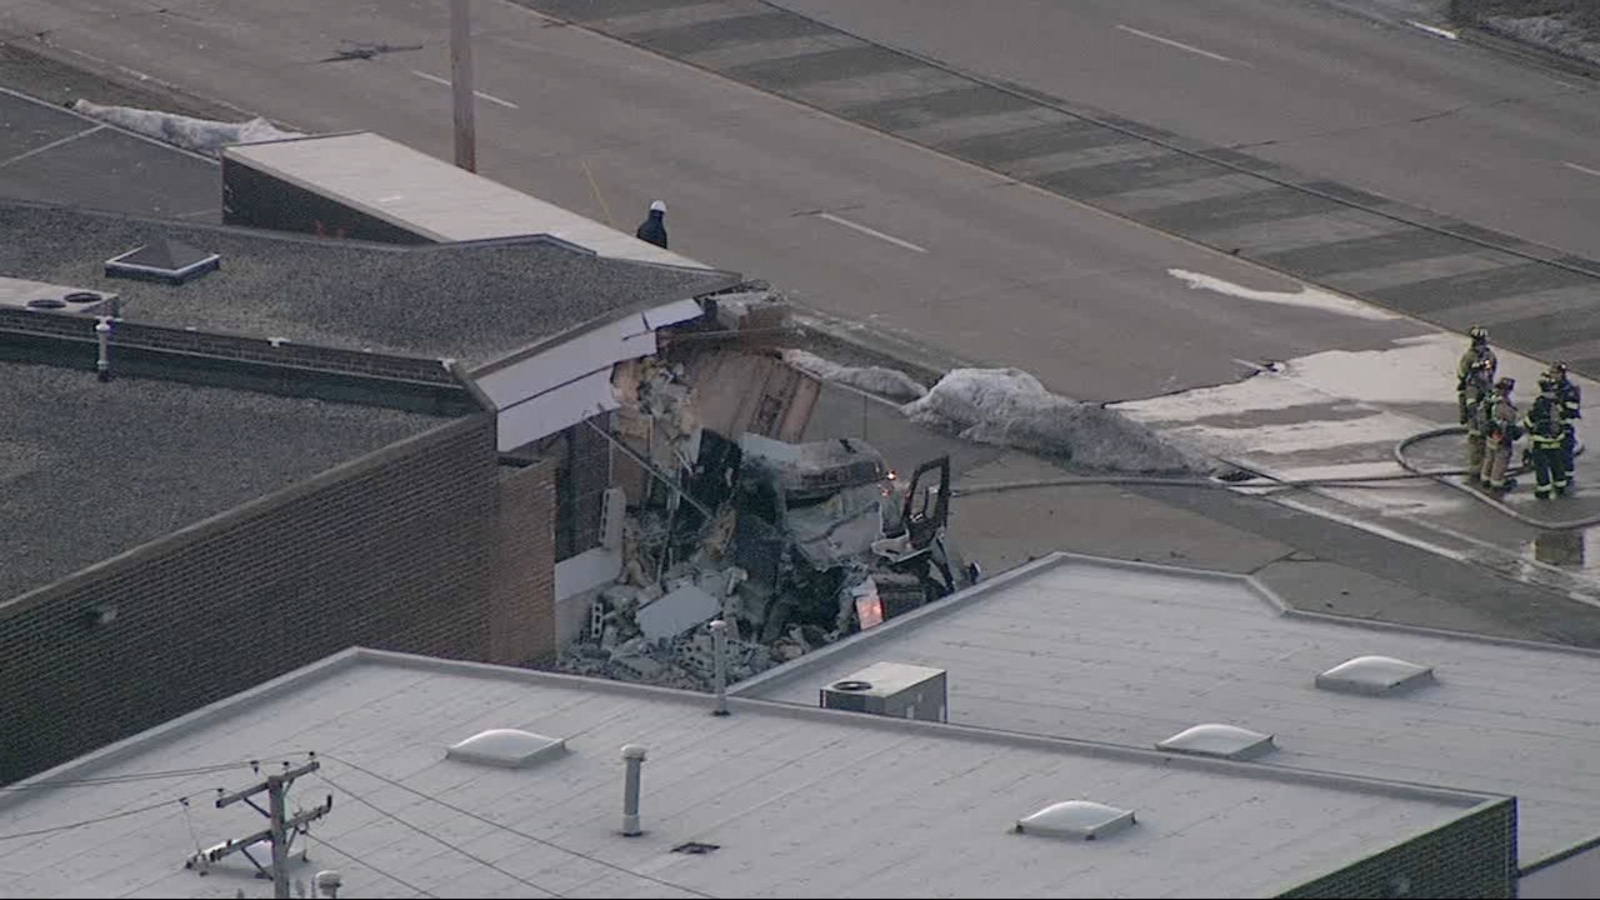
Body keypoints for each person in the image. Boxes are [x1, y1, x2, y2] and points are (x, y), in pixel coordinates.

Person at [1522, 377, 1567, 500]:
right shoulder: (1558, 404)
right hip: (1557, 440)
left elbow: (1529, 422)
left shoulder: (1539, 404)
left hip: (1540, 441)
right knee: (1557, 464)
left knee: (1541, 466)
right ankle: (1560, 486)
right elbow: (1563, 419)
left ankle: (1543, 490)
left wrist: (1529, 429)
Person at [1481, 376, 1520, 495]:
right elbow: (1510, 419)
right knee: (1501, 459)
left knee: (1490, 457)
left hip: (1491, 434)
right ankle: (1497, 483)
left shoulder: (1490, 399)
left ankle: (1485, 478)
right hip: (1501, 436)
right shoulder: (1503, 405)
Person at [1456, 325, 1497, 426]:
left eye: (1481, 341)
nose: (1480, 344)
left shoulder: (1490, 355)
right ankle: (1468, 421)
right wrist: (1464, 380)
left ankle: (1488, 425)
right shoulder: (1469, 356)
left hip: (1486, 385)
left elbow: (1492, 369)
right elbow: (1462, 371)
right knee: (1471, 405)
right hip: (1472, 385)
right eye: (1479, 341)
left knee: (1490, 405)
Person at [1548, 361, 1581, 484]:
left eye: (1555, 373)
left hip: (1565, 426)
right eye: (1551, 372)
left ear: (1561, 374)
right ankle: (1559, 477)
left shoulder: (1569, 390)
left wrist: (1558, 405)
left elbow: (1572, 409)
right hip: (1553, 426)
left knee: (1565, 453)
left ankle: (1568, 478)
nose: (1552, 375)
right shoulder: (1553, 387)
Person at [1462, 358, 1494, 483]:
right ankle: (1476, 472)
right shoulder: (1473, 387)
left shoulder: (1485, 383)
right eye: (1484, 371)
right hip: (1477, 424)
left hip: (1484, 422)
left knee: (1485, 447)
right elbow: (1472, 407)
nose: (1487, 373)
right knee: (1477, 448)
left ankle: (1484, 470)